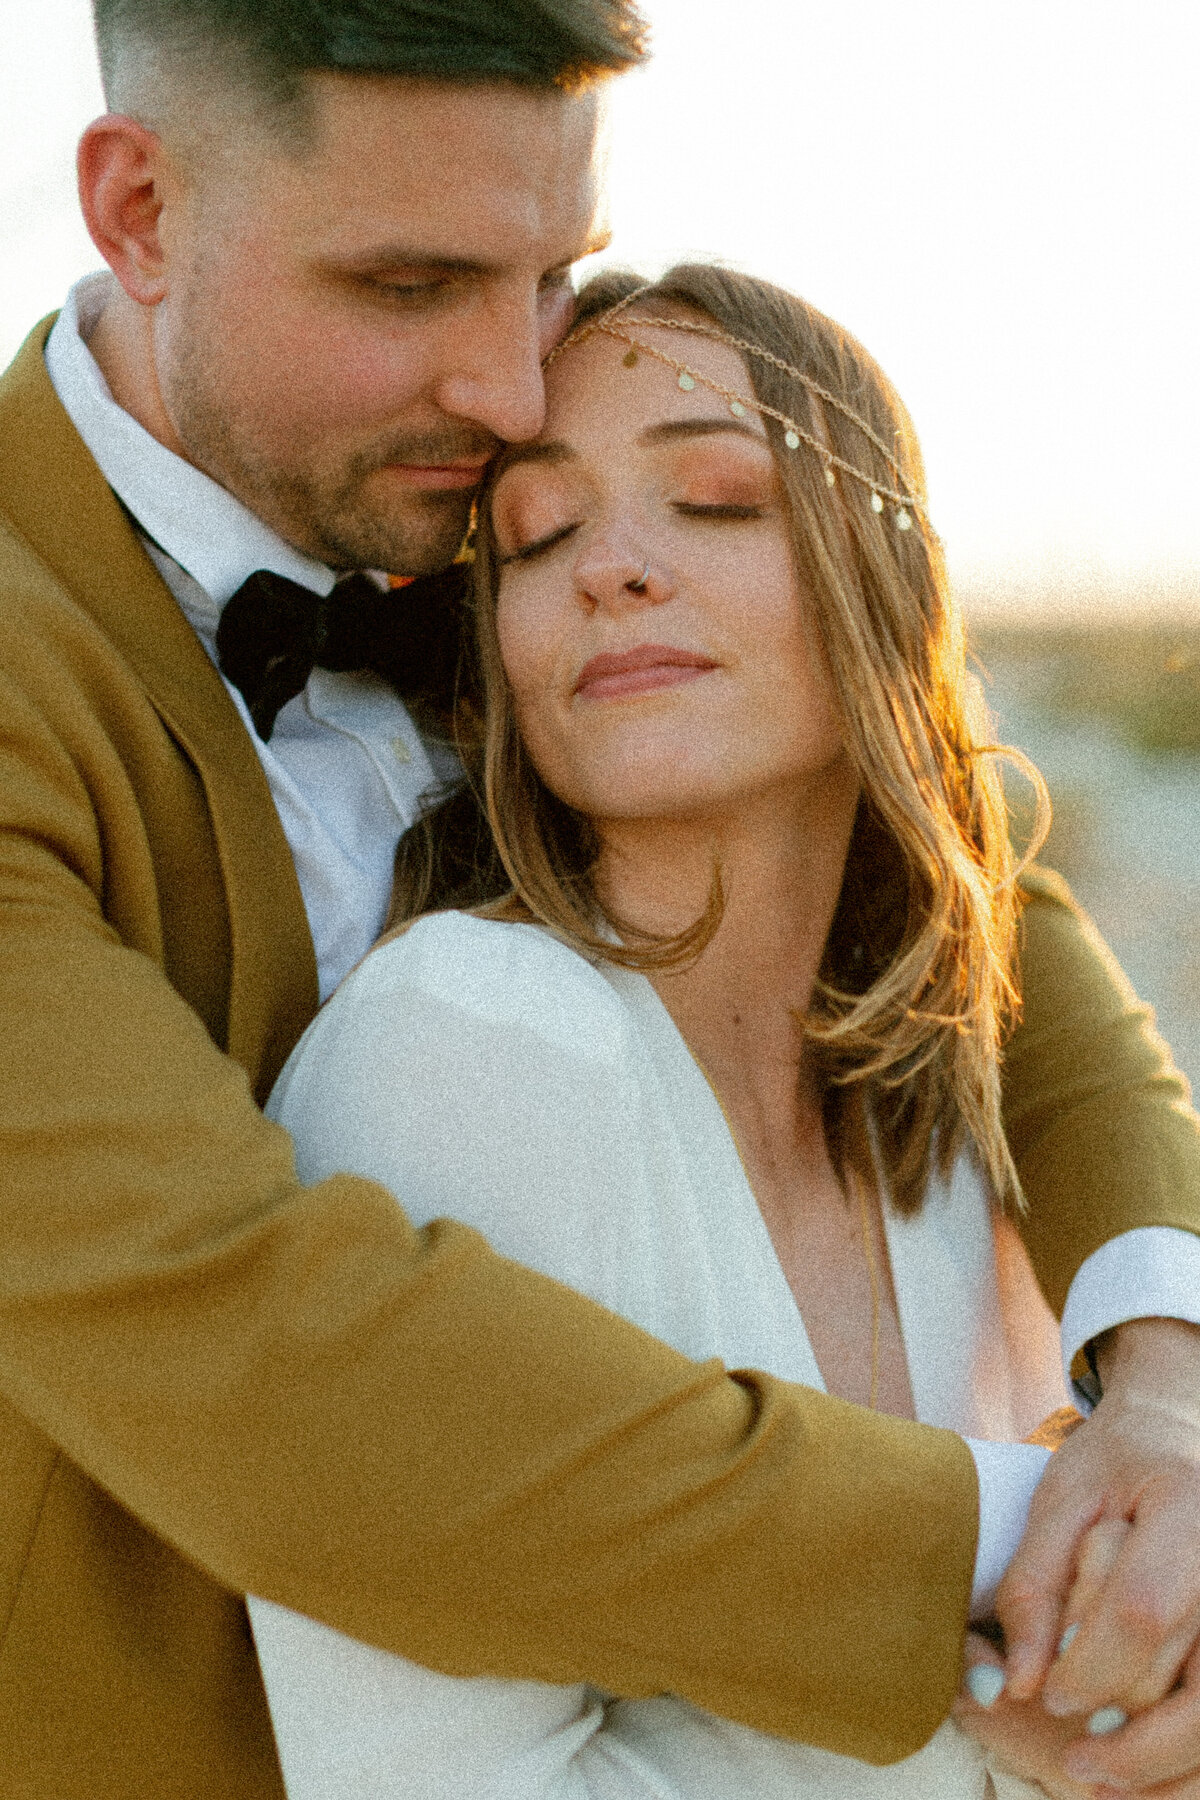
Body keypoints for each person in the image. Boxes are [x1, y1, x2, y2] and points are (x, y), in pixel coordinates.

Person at [0, 4, 1198, 1796]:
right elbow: (259, 1350)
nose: (507, 389)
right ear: (142, 211)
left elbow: (956, 876)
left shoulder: (485, 541)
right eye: (410, 286)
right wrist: (1052, 1566)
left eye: (547, 272)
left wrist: (1163, 1387)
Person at [246, 263, 1195, 1798]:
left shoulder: (944, 1098)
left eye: (717, 500)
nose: (611, 566)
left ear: (885, 595)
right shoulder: (474, 1042)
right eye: (540, 536)